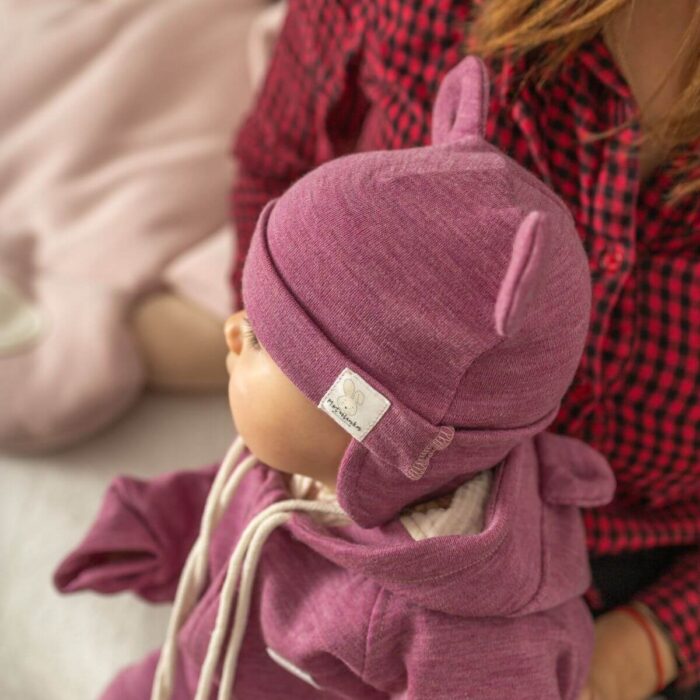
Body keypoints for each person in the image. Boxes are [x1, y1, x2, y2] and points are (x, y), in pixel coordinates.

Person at [54, 56, 616, 699]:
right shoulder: (304, 457)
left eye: (262, 339)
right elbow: (244, 507)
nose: (231, 329)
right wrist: (157, 527)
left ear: (370, 430)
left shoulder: (458, 637)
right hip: (198, 671)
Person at [226, 2, 700, 698]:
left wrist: (642, 650)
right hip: (329, 468)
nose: (234, 330)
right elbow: (275, 167)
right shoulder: (412, 14)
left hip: (652, 581)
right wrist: (280, 382)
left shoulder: (450, 643)